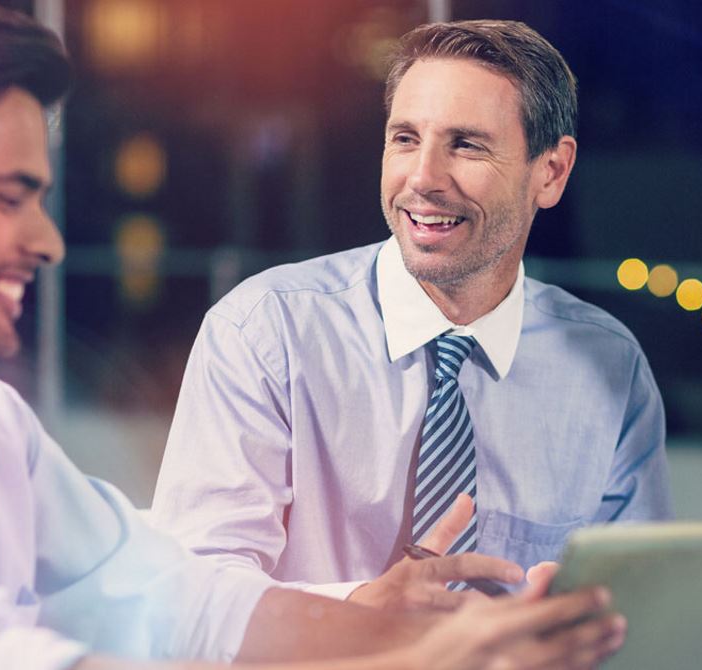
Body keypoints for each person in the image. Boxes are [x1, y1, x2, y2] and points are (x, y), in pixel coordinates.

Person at [0, 2, 626, 668]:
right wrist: (425, 661)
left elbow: (177, 601)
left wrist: (424, 632)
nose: (49, 242)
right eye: (8, 197)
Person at [150, 19, 671, 608]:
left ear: (549, 173)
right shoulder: (265, 333)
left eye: (466, 144)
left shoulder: (609, 368)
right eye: (404, 139)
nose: (422, 179)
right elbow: (194, 598)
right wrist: (359, 611)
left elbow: (637, 607)